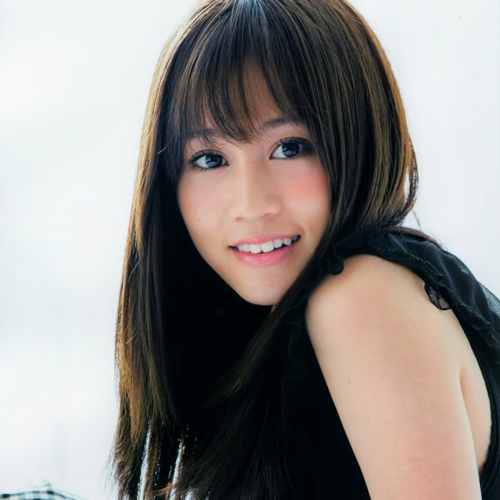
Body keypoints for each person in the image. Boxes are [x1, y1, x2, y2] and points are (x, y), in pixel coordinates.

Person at [110, 0, 500, 498]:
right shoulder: (269, 333)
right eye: (209, 159)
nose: (250, 205)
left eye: (289, 147)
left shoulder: (362, 295)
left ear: (357, 139)